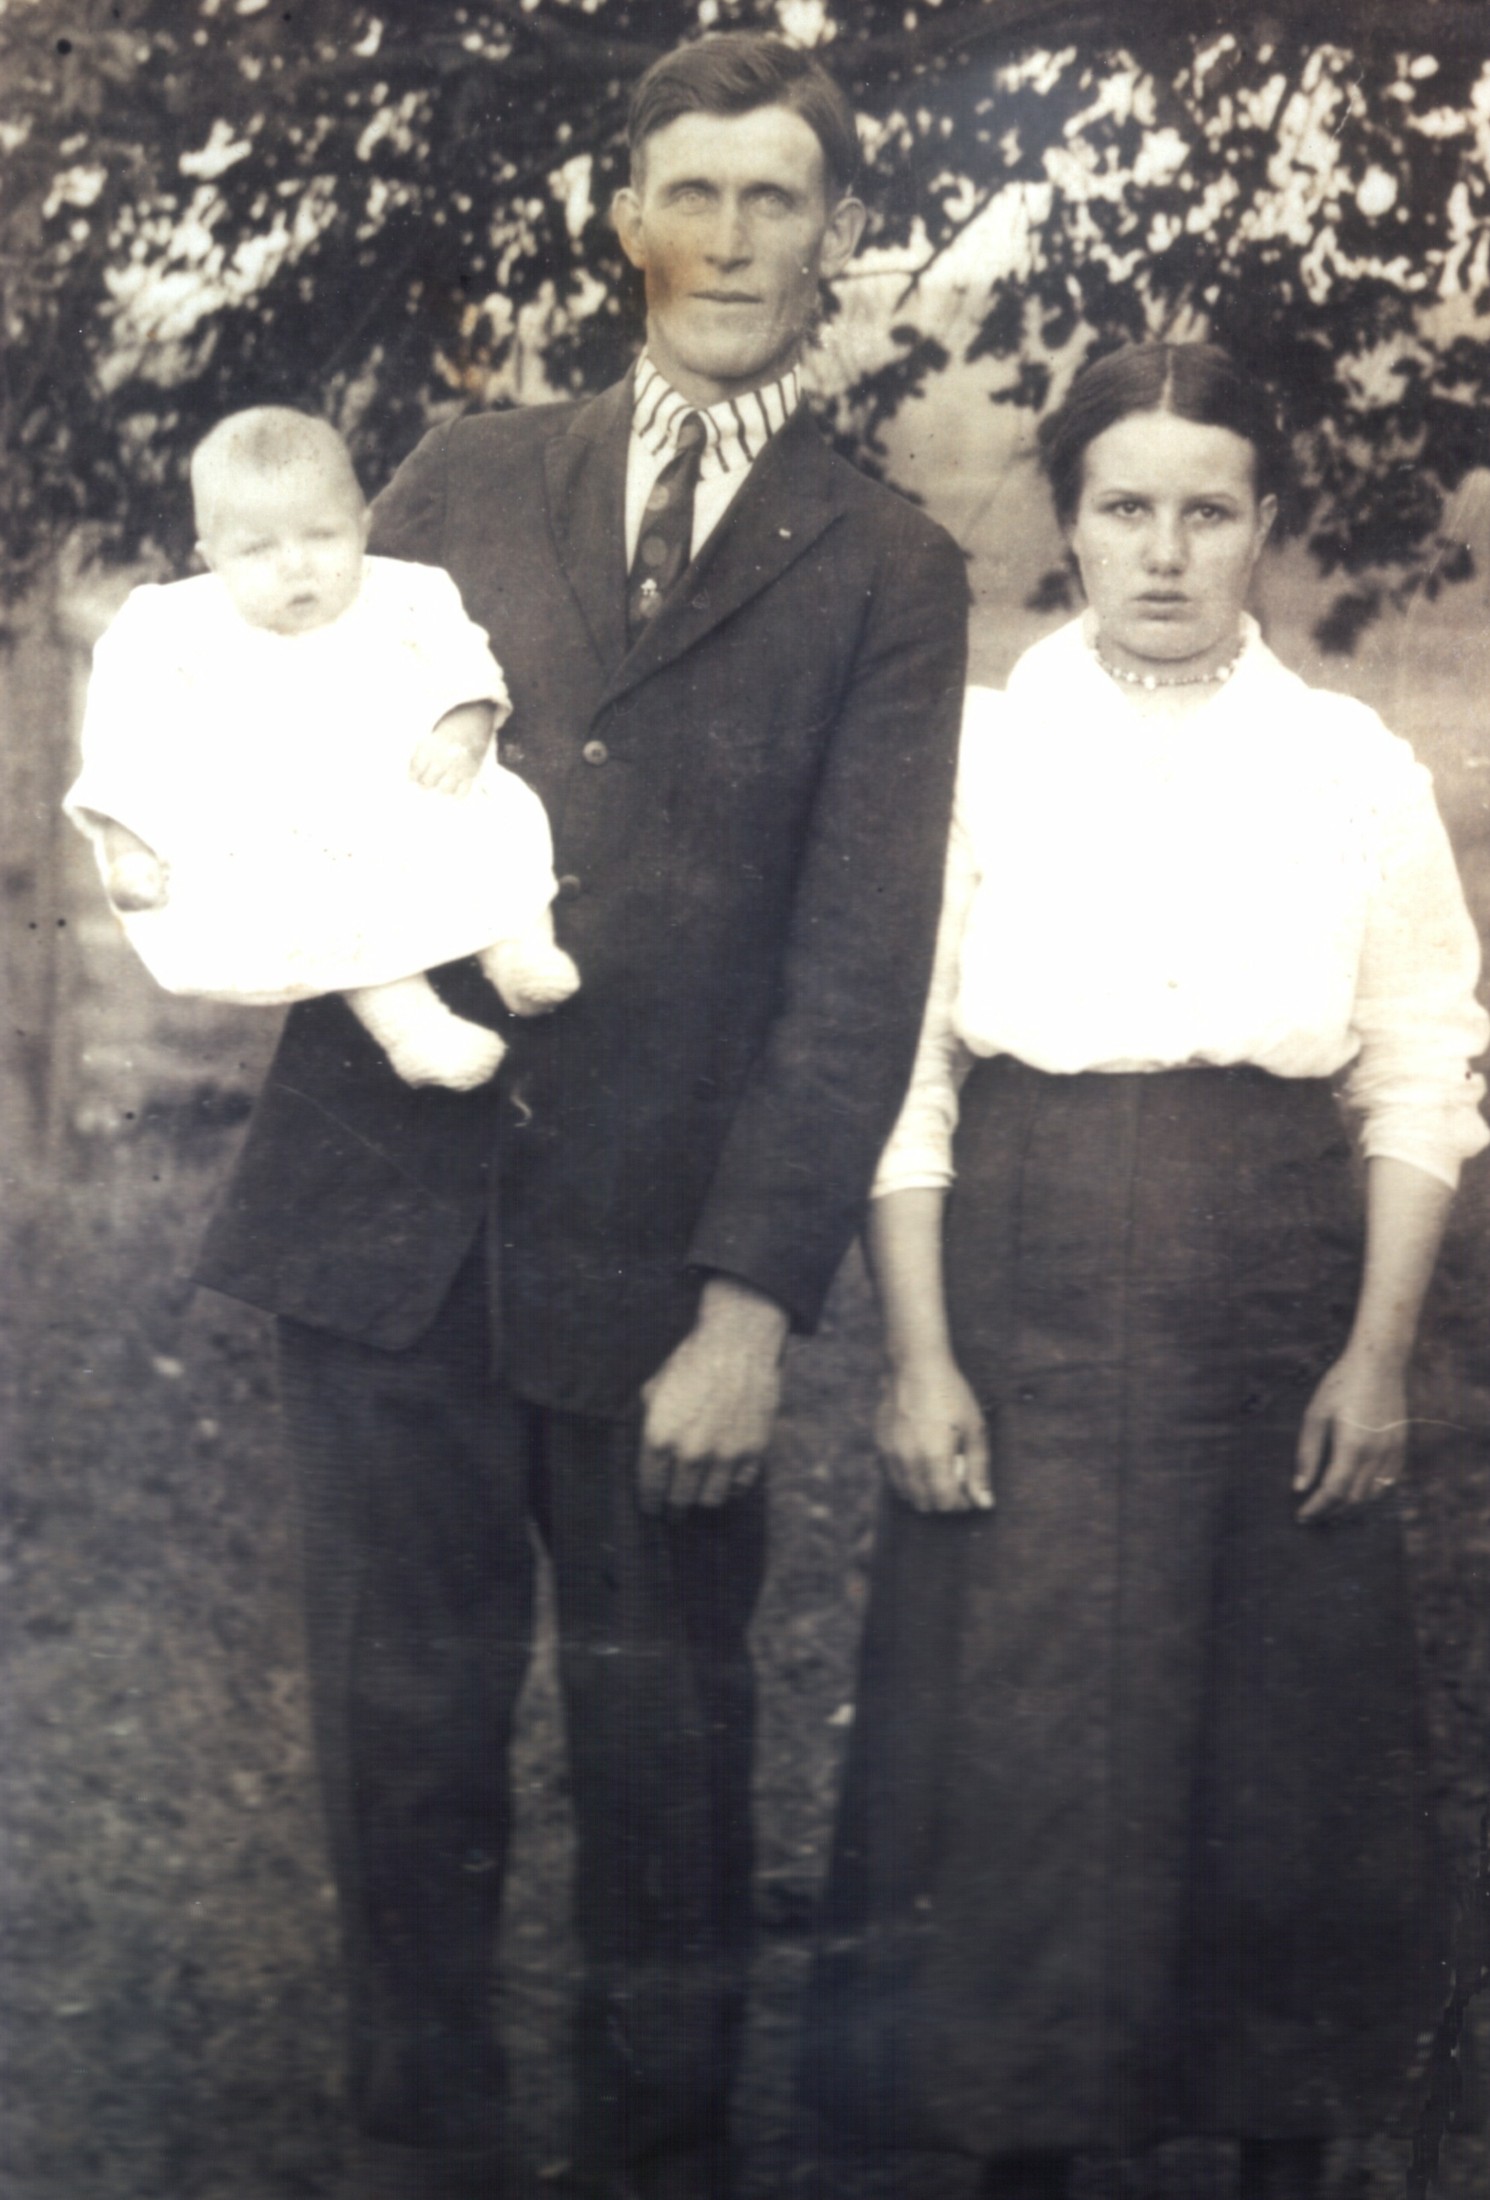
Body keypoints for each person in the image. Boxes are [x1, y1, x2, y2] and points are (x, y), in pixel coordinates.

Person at [194, 33, 968, 2200]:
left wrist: (750, 1306)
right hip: (382, 1236)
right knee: (401, 1747)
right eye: (689, 194)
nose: (728, 239)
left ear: (837, 236)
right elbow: (286, 732)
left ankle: (657, 2159)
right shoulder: (459, 473)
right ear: (626, 223)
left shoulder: (885, 569)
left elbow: (856, 967)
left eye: (775, 198)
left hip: (657, 1284)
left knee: (669, 1767)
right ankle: (419, 2151)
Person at [801, 343, 1489, 2200]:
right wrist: (919, 1358)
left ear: (1264, 528)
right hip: (1025, 1272)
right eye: (1125, 508)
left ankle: (1282, 2152)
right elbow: (902, 1069)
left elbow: (1420, 1063)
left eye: (1207, 511)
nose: (1165, 552)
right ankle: (1023, 2152)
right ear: (1069, 522)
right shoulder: (974, 754)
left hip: (1271, 1271)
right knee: (1026, 1741)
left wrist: (1376, 1355)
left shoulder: (1349, 768)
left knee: (1284, 1746)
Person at [65, 408, 577, 1089]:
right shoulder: (175, 628)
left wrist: (463, 728)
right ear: (211, 559)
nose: (297, 566)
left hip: (412, 790)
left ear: (362, 527)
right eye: (258, 550)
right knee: (329, 918)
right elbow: (130, 734)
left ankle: (519, 954)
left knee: (490, 839)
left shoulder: (409, 593)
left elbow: (467, 665)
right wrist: (130, 843)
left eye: (323, 536)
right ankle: (414, 1031)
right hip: (290, 829)